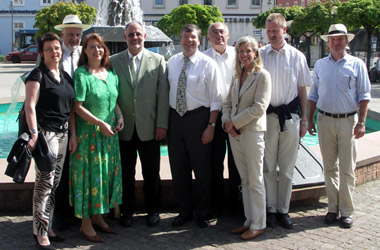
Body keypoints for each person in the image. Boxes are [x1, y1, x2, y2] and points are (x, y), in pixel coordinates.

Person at [307, 24, 371, 229]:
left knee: (347, 168)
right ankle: (332, 208)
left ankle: (347, 212)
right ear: (328, 43)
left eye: (340, 39)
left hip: (348, 121)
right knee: (329, 167)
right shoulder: (320, 65)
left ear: (346, 41)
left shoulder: (357, 64)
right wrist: (309, 119)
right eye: (332, 39)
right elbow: (313, 95)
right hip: (325, 120)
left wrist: (362, 123)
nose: (335, 42)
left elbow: (364, 96)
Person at [110, 22, 169, 227]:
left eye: (138, 34)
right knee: (126, 173)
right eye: (130, 35)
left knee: (151, 173)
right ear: (125, 37)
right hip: (123, 128)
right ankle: (127, 211)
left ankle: (153, 210)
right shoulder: (113, 61)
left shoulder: (159, 60)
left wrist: (162, 124)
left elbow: (163, 96)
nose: (135, 38)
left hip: (150, 128)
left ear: (144, 36)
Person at [167, 24, 224, 228]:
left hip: (199, 120)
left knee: (202, 170)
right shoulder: (172, 62)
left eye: (193, 37)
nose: (189, 40)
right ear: (180, 38)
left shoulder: (208, 64)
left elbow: (216, 99)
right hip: (176, 120)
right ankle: (184, 211)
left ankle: (202, 213)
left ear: (199, 40)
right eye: (185, 36)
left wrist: (211, 126)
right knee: (178, 168)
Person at [69, 33, 123, 243]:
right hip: (89, 136)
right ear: (85, 51)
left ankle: (98, 216)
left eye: (100, 46)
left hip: (108, 136)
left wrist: (119, 117)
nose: (97, 50)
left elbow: (114, 100)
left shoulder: (110, 74)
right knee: (88, 178)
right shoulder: (81, 75)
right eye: (91, 47)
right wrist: (100, 123)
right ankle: (85, 224)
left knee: (103, 177)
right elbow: (77, 107)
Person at [260, 13, 311, 229]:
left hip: (290, 118)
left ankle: (283, 210)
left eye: (275, 31)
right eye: (268, 31)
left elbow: (302, 89)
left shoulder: (297, 56)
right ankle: (271, 209)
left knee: (288, 167)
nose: (271, 34)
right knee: (268, 167)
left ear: (284, 31)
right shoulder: (261, 55)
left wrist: (305, 120)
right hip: (268, 118)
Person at [25, 32, 76, 250]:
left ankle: (47, 226)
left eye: (57, 48)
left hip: (63, 135)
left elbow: (71, 109)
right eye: (49, 49)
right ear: (42, 52)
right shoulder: (37, 75)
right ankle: (40, 233)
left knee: (54, 184)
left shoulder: (65, 76)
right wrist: (34, 133)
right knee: (44, 185)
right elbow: (30, 106)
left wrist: (73, 134)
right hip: (46, 136)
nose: (54, 52)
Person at [222, 36, 271, 240]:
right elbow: (227, 103)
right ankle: (249, 220)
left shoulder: (262, 76)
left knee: (255, 179)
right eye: (241, 51)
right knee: (245, 179)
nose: (244, 55)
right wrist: (226, 122)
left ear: (256, 52)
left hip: (252, 133)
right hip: (234, 134)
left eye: (248, 51)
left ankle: (259, 223)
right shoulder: (236, 76)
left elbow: (259, 107)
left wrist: (235, 122)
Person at [49, 14, 90, 232]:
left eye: (77, 34)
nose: (74, 38)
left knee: (78, 169)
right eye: (70, 34)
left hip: (81, 120)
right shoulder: (55, 54)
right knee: (60, 172)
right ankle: (59, 215)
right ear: (62, 34)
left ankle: (77, 212)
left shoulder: (84, 54)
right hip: (59, 120)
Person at [203, 22, 241, 217]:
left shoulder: (238, 55)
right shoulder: (203, 58)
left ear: (228, 35)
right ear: (208, 38)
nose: (218, 35)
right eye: (214, 33)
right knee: (214, 163)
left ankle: (236, 205)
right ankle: (215, 205)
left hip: (236, 116)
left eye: (222, 32)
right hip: (214, 117)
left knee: (237, 162)